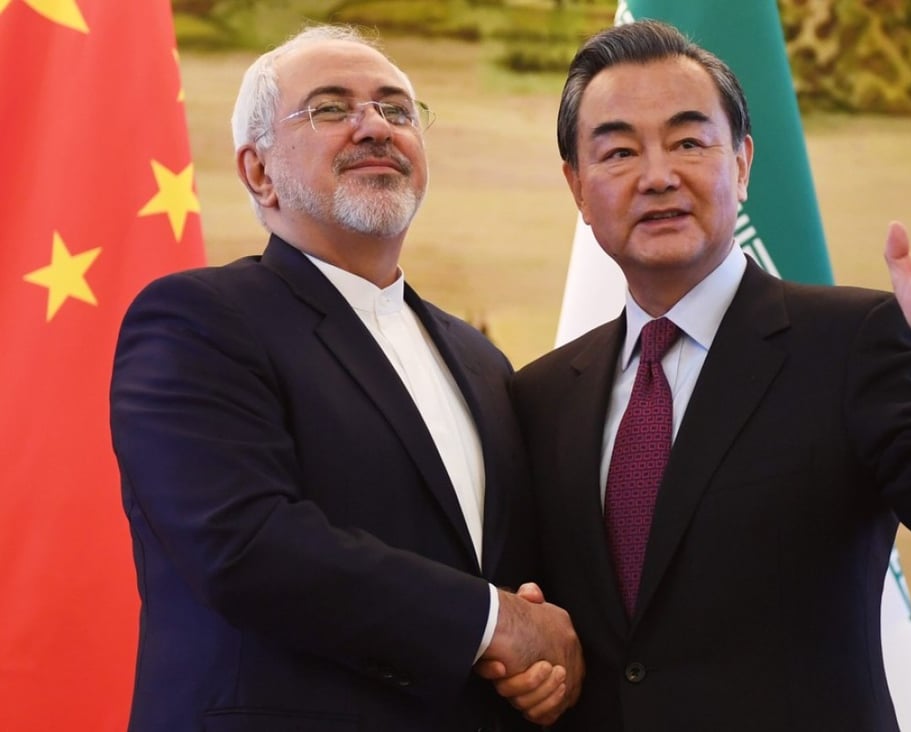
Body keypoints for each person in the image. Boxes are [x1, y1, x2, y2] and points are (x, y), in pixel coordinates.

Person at [494, 19, 911, 731]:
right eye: (619, 151)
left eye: (689, 141)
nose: (658, 174)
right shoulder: (539, 396)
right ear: (578, 186)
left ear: (744, 163)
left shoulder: (851, 342)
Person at [109, 24, 580, 732]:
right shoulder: (198, 321)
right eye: (331, 108)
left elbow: (511, 580)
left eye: (396, 109)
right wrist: (493, 623)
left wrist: (550, 662)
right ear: (259, 171)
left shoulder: (481, 361)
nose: (374, 127)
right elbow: (244, 543)